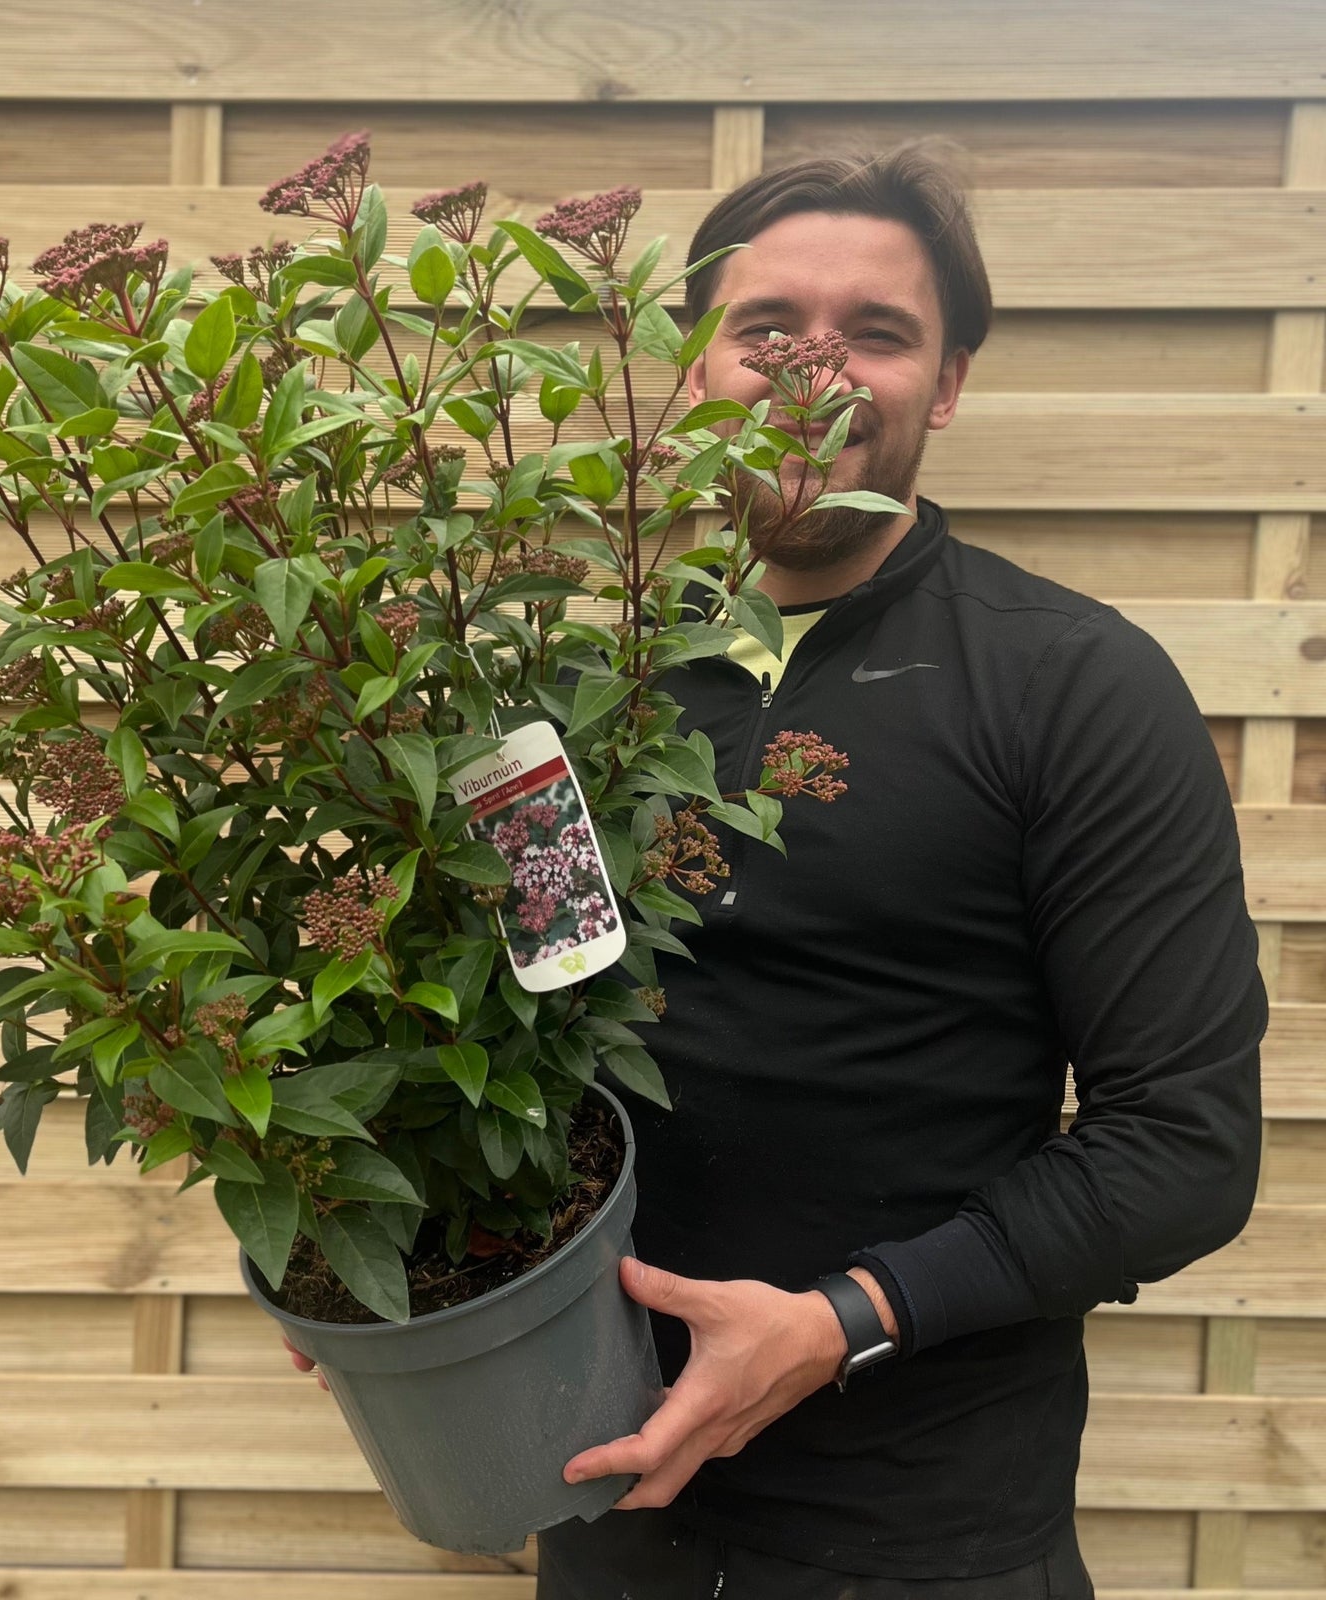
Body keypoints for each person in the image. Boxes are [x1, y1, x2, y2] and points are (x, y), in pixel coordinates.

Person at [529, 147, 1268, 1597]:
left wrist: (843, 1320)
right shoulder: (574, 683)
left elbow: (1185, 1146)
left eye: (878, 331)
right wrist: (386, 1247)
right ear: (686, 364)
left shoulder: (1074, 687)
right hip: (606, 1511)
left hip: (932, 1539)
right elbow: (522, 1022)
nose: (816, 367)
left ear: (948, 383)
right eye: (767, 329)